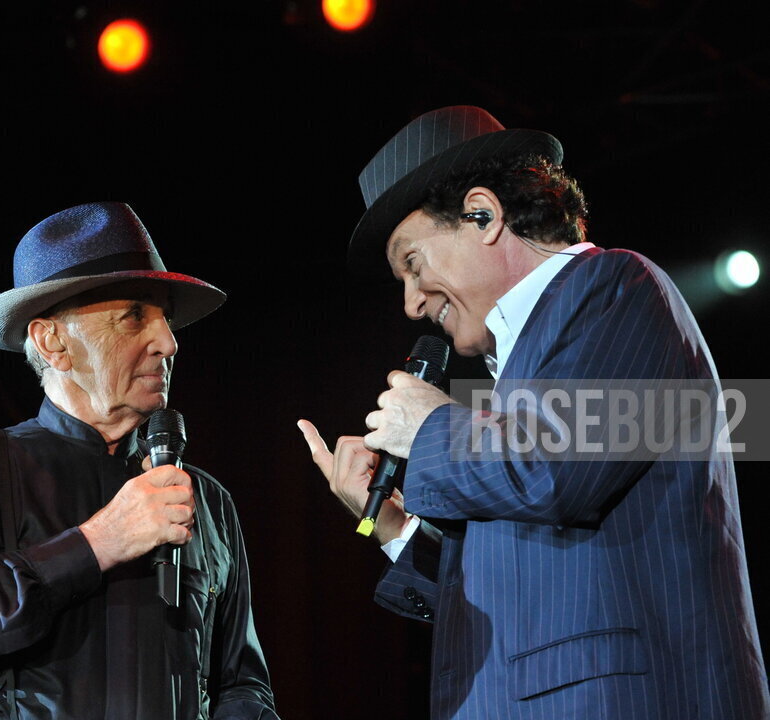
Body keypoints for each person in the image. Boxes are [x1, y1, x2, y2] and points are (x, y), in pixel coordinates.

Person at [299, 106, 769, 719]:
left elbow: (555, 469)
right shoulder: (511, 386)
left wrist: (431, 427)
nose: (411, 304)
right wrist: (392, 528)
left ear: (483, 215)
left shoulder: (614, 288)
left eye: (413, 265)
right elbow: (523, 605)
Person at [0, 202, 279, 719]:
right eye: (134, 316)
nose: (167, 342)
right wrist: (98, 542)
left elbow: (241, 685)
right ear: (52, 341)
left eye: (165, 318)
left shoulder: (207, 500)